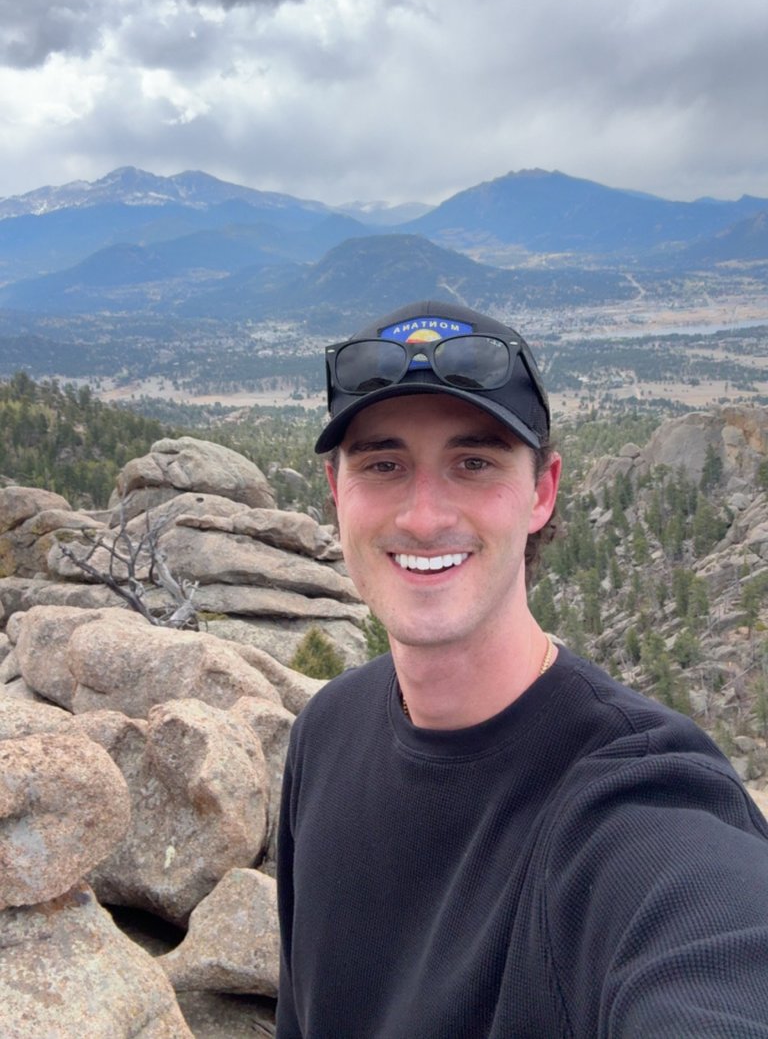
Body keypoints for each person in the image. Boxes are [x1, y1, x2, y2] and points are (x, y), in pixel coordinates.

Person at [276, 299, 768, 1039]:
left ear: (542, 490)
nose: (423, 513)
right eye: (383, 463)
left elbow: (715, 954)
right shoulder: (325, 734)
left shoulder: (634, 795)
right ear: (335, 490)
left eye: (474, 462)